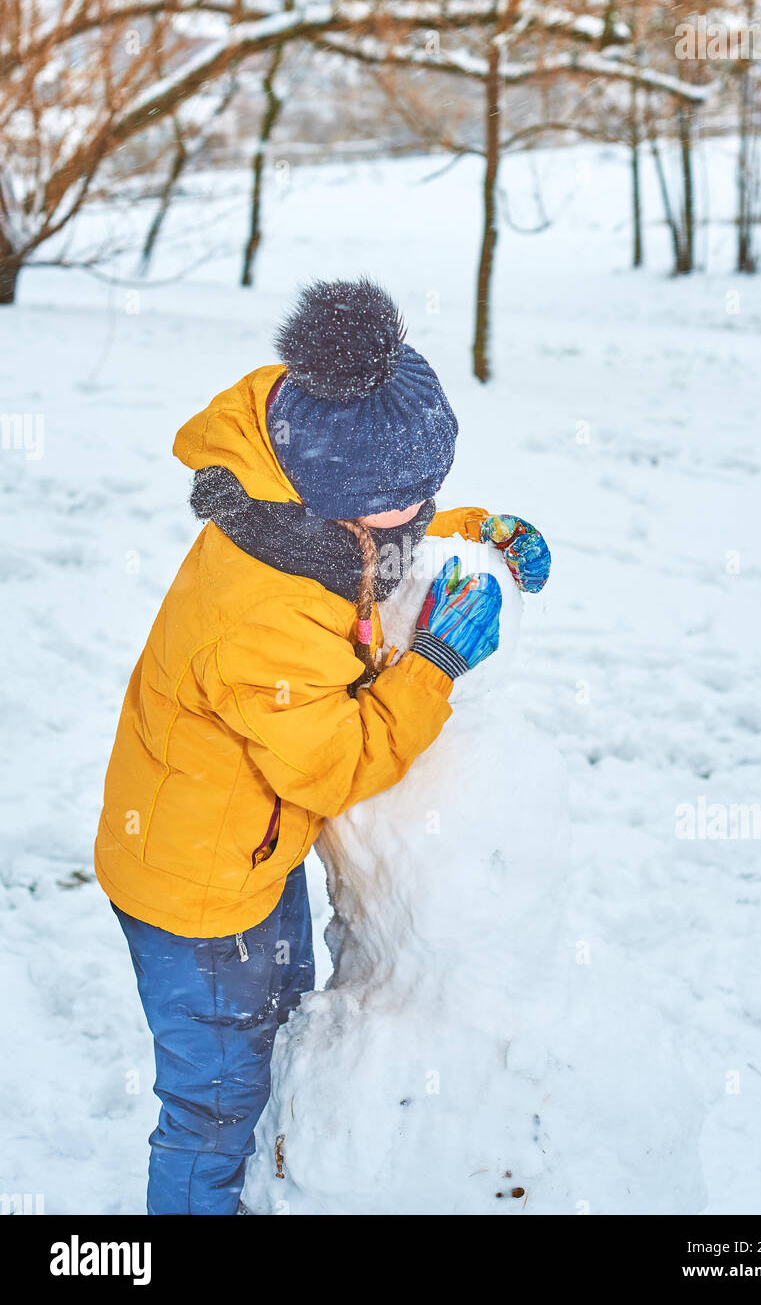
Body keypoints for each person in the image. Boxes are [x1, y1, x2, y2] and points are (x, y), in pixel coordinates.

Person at [94, 278, 551, 1214]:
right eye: (411, 502)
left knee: (281, 1029)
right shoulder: (262, 615)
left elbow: (375, 533)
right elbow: (334, 764)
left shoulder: (297, 477)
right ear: (345, 502)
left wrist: (477, 528)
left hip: (247, 858)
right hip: (198, 899)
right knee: (214, 1103)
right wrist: (430, 666)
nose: (426, 511)